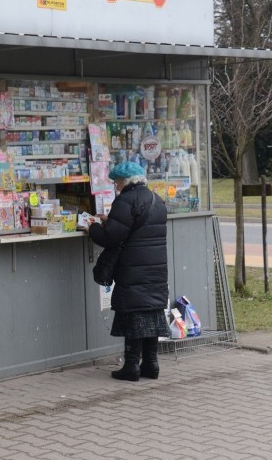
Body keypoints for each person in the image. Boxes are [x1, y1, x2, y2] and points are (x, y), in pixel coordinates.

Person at [84, 161, 169, 381]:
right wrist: (110, 220)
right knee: (151, 312)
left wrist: (92, 226)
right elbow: (136, 227)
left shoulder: (125, 201)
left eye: (117, 182)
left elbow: (110, 237)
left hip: (133, 269)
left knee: (134, 316)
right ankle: (151, 364)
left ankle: (131, 366)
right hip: (155, 268)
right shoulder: (156, 200)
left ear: (125, 181)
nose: (116, 186)